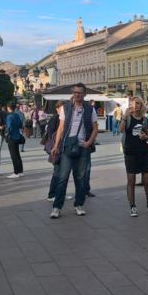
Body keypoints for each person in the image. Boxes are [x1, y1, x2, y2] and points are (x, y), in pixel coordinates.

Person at [49, 83, 98, 218]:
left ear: (84, 94)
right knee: (62, 178)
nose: (77, 94)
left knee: (80, 178)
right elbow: (61, 127)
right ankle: (57, 207)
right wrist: (56, 145)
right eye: (75, 92)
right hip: (67, 147)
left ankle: (79, 205)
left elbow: (95, 128)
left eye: (80, 93)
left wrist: (89, 142)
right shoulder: (66, 108)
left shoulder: (89, 109)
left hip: (83, 147)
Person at [120, 97, 148, 217]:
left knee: (146, 180)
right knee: (131, 180)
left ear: (141, 106)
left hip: (144, 152)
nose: (135, 106)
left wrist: (145, 137)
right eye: (133, 104)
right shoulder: (128, 117)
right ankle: (132, 206)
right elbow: (121, 130)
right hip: (130, 152)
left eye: (138, 104)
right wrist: (124, 116)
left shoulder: (145, 119)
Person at [5, 102, 25, 178]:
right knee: (17, 155)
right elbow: (20, 124)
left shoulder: (9, 116)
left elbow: (9, 127)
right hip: (17, 136)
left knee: (13, 155)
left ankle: (15, 172)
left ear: (8, 108)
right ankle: (20, 171)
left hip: (12, 137)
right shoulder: (16, 115)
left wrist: (7, 135)